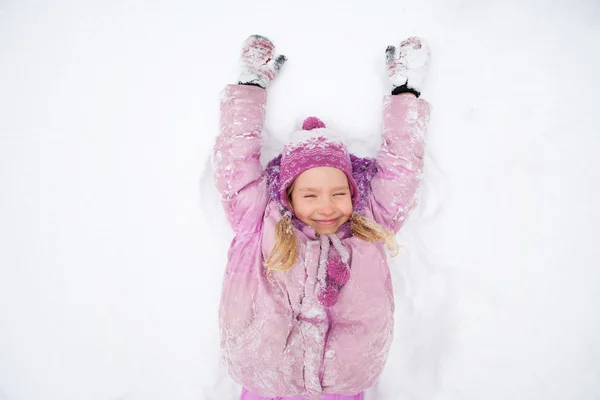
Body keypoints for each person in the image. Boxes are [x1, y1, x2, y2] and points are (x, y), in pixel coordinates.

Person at [212, 34, 431, 400]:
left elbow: (402, 170)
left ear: (353, 193)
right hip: (267, 380)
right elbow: (235, 162)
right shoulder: (258, 223)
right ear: (288, 196)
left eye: (339, 193)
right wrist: (250, 85)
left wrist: (405, 93)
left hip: (341, 386)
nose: (326, 206)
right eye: (310, 195)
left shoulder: (371, 225)